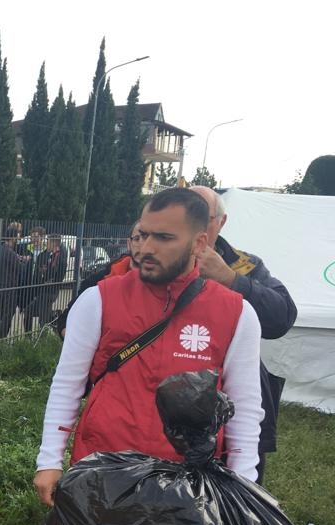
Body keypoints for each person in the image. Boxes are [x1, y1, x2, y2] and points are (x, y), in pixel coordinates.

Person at [33, 187, 265, 506]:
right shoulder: (98, 299)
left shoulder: (237, 314)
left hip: (187, 485)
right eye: (143, 234)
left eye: (164, 238)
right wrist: (49, 460)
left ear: (199, 243)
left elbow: (245, 407)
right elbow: (67, 384)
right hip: (101, 471)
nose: (147, 248)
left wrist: (244, 483)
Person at [189, 186, 297, 483]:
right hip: (170, 397)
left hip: (234, 395)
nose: (191, 225)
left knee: (239, 490)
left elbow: (281, 318)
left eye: (202, 217)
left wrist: (229, 278)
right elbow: (88, 302)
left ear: (220, 222)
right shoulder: (150, 256)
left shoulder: (243, 264)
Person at [55, 222, 140, 338]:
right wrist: (72, 336)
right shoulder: (98, 281)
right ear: (129, 243)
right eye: (138, 238)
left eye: (155, 238)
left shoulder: (169, 292)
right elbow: (68, 318)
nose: (145, 244)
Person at [24, 233, 67, 330]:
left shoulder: (59, 257)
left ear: (54, 243)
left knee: (43, 320)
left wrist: (46, 274)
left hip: (49, 292)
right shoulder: (49, 255)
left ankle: (43, 338)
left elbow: (56, 275)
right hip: (43, 290)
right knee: (28, 312)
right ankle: (54, 316)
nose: (46, 243)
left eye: (48, 242)